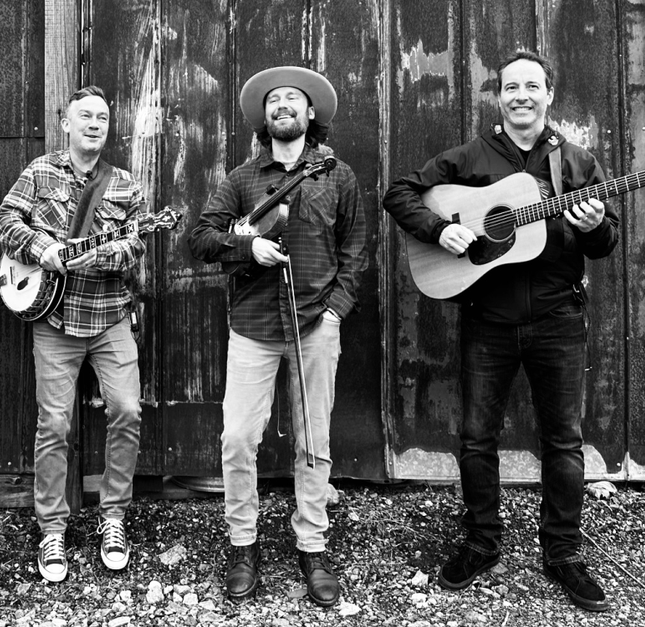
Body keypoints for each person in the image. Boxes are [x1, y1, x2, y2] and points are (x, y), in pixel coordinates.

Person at [381, 50, 619, 613]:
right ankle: (482, 542)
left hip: (559, 320)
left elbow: (605, 242)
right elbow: (399, 193)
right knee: (475, 436)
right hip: (487, 321)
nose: (521, 96)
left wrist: (592, 228)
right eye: (511, 87)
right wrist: (438, 230)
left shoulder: (577, 163)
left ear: (549, 94)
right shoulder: (470, 156)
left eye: (532, 86)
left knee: (563, 441)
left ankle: (562, 552)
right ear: (499, 96)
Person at [188, 66, 368, 607]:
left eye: (293, 98)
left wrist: (335, 313)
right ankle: (242, 544)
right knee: (238, 438)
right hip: (254, 327)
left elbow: (355, 250)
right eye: (274, 100)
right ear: (264, 117)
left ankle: (312, 544)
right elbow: (200, 238)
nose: (283, 105)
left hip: (315, 324)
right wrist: (249, 247)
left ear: (311, 113)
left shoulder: (336, 175)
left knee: (314, 440)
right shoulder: (243, 179)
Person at [0, 85, 147, 583]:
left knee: (127, 411)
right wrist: (43, 250)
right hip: (55, 320)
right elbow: (3, 221)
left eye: (102, 117)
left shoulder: (125, 184)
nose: (95, 124)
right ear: (66, 123)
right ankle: (52, 529)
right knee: (54, 424)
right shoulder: (40, 172)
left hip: (109, 316)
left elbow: (136, 245)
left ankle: (114, 518)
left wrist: (95, 255)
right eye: (85, 116)